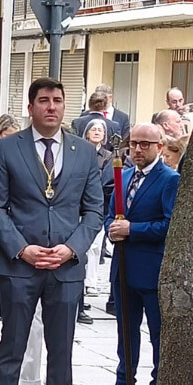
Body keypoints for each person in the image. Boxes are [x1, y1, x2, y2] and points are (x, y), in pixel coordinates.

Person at [0, 77, 103, 385]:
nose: (51, 107)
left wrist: (73, 248)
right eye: (44, 100)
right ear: (30, 107)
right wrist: (21, 248)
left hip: (65, 267)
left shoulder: (84, 151)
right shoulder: (8, 148)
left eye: (57, 100)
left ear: (64, 106)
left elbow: (95, 210)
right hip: (20, 265)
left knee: (61, 350)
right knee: (12, 347)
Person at [93, 124, 180, 385]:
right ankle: (124, 382)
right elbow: (111, 215)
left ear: (159, 146)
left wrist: (133, 229)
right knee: (125, 329)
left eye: (145, 144)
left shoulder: (169, 179)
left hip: (151, 268)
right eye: (134, 144)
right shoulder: (125, 175)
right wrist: (113, 229)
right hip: (123, 266)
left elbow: (169, 224)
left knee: (156, 332)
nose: (138, 149)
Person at [82, 119, 115, 300]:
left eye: (100, 130)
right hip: (78, 205)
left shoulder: (108, 156)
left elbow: (108, 182)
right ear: (87, 132)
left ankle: (91, 282)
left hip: (99, 205)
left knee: (95, 246)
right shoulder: (79, 151)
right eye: (93, 129)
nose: (96, 132)